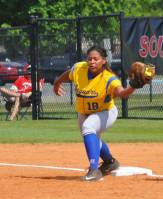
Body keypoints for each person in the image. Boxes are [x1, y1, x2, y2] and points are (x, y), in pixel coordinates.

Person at [53, 46, 151, 181]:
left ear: (104, 61)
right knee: (92, 138)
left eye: (96, 59)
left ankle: (94, 171)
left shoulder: (109, 79)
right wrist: (57, 83)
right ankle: (110, 162)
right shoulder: (79, 68)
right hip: (84, 113)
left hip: (105, 113)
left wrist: (133, 86)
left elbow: (122, 93)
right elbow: (69, 73)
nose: (92, 61)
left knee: (88, 127)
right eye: (90, 59)